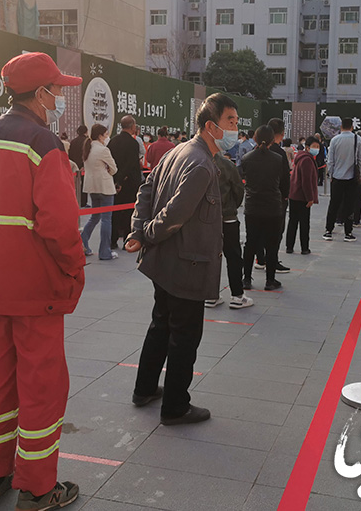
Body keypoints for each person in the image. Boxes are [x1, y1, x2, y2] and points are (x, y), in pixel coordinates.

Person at [0, 52, 84, 509]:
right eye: (56, 90)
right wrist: (73, 269)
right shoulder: (44, 144)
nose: (59, 97)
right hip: (34, 290)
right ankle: (38, 489)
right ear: (40, 93)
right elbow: (59, 226)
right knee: (42, 387)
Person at [125, 93, 237, 426]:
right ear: (211, 126)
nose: (235, 128)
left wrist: (138, 230)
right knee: (184, 335)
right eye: (231, 121)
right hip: (187, 263)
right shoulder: (201, 164)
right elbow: (174, 214)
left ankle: (145, 388)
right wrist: (146, 233)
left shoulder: (178, 151)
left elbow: (146, 189)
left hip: (167, 262)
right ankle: (175, 406)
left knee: (161, 324)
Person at [240, 125, 289, 291]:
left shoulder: (246, 158)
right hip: (273, 206)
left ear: (254, 138)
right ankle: (270, 280)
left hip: (252, 205)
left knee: (250, 243)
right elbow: (284, 183)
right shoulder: (278, 159)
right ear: (272, 140)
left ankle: (246, 279)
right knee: (272, 244)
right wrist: (283, 197)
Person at [204, 149, 253, 310]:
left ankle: (210, 295)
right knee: (233, 257)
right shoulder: (227, 165)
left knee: (210, 257)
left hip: (205, 219)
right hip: (228, 218)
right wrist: (231, 207)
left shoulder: (196, 162)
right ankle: (237, 295)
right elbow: (238, 190)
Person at [322, 118, 361, 242]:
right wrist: (359, 174)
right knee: (349, 205)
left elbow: (330, 160)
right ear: (352, 127)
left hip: (337, 177)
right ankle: (348, 232)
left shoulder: (335, 140)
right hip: (351, 178)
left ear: (341, 127)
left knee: (334, 204)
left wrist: (331, 174)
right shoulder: (357, 139)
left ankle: (328, 230)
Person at [80, 124, 118, 260]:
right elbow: (114, 168)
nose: (107, 136)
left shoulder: (88, 148)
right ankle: (105, 251)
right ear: (100, 135)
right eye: (106, 134)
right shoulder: (103, 150)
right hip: (105, 187)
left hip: (92, 187)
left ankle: (82, 242)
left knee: (94, 217)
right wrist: (108, 170)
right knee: (106, 219)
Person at [108, 115, 143, 249]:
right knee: (129, 212)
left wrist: (117, 180)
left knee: (115, 212)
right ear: (132, 126)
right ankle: (127, 241)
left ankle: (113, 240)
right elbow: (131, 164)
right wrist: (123, 179)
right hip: (129, 182)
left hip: (115, 181)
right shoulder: (133, 143)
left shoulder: (113, 141)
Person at [264, 118, 291, 274]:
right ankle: (272, 261)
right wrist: (285, 196)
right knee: (276, 232)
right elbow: (285, 178)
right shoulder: (279, 153)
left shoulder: (257, 150)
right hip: (277, 198)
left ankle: (261, 259)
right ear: (282, 133)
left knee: (259, 231)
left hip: (258, 197)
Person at [286, 136, 319, 255]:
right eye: (314, 146)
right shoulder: (307, 160)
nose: (317, 149)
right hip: (302, 196)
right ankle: (304, 248)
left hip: (294, 194)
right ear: (307, 147)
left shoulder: (301, 157)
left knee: (293, 222)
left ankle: (289, 246)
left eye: (318, 146)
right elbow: (306, 181)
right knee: (304, 223)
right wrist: (310, 198)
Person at [68, 125, 89, 206]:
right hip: (83, 167)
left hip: (74, 167)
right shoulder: (87, 141)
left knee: (75, 185)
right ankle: (83, 203)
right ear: (86, 132)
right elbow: (87, 154)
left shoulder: (73, 141)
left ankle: (76, 201)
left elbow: (70, 155)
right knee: (84, 185)